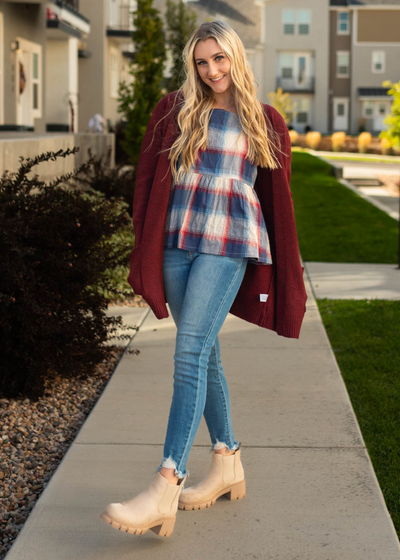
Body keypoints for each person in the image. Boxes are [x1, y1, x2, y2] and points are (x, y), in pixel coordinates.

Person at [100, 20, 307, 538]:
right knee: (206, 350)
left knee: (189, 352)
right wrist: (144, 244)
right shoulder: (174, 110)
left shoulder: (264, 120)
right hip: (177, 241)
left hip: (229, 243)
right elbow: (147, 182)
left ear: (235, 57)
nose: (212, 70)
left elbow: (278, 204)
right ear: (193, 65)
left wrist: (284, 276)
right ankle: (227, 460)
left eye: (220, 58)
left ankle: (165, 484)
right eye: (202, 61)